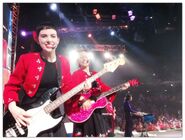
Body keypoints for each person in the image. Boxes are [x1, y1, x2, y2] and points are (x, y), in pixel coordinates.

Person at [3, 22, 73, 137]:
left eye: (53, 36)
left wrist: (84, 89)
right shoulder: (26, 59)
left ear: (58, 40)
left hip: (54, 117)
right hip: (29, 117)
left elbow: (68, 87)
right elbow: (11, 86)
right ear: (37, 39)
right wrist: (13, 107)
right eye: (44, 36)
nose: (49, 40)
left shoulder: (64, 61)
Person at [65, 49, 117, 137]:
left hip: (97, 111)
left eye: (86, 56)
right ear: (78, 61)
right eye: (81, 57)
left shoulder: (95, 74)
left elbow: (104, 90)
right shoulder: (76, 74)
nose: (84, 58)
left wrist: (120, 88)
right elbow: (70, 93)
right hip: (84, 112)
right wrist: (83, 100)